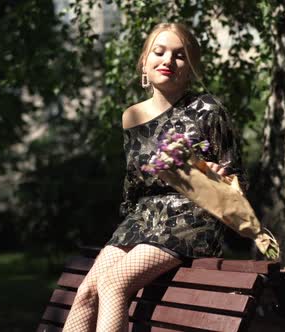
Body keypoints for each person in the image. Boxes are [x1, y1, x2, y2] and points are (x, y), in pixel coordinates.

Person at [62, 22, 245, 331]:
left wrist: (218, 177)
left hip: (191, 218)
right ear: (144, 62)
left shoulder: (208, 110)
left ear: (190, 66)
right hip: (142, 219)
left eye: (179, 55)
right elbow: (133, 184)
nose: (168, 61)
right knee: (86, 293)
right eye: (159, 52)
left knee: (114, 283)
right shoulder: (131, 117)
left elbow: (237, 176)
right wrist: (125, 230)